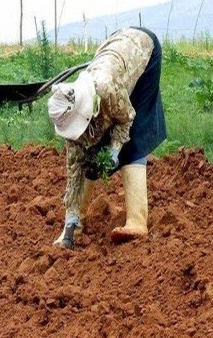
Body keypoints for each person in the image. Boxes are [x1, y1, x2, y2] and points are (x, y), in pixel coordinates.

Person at [47, 27, 166, 249]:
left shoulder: (107, 89)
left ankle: (137, 222)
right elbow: (75, 169)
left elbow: (126, 118)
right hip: (116, 47)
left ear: (84, 112)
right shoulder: (70, 117)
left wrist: (114, 149)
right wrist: (70, 217)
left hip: (143, 51)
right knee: (90, 148)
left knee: (134, 136)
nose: (78, 135)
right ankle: (77, 224)